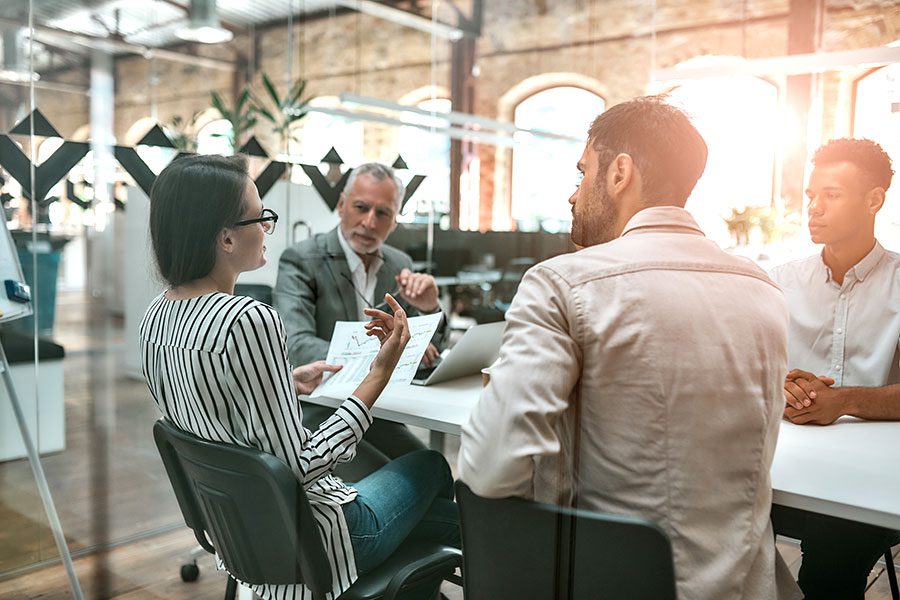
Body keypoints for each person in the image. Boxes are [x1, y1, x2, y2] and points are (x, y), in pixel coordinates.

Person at [457, 96, 801, 600]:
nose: (572, 196)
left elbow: (489, 468)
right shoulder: (764, 288)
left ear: (619, 172)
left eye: (581, 173)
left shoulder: (562, 282)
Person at [140, 154, 459, 600]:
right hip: (316, 538)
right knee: (435, 470)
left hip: (243, 532)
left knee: (447, 518)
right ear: (227, 237)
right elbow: (300, 465)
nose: (269, 227)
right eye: (261, 217)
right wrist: (377, 373)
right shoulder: (249, 318)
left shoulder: (156, 316)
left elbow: (208, 414)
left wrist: (283, 382)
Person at [769, 138, 899, 600]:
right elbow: (754, 369)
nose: (814, 208)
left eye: (831, 194)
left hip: (870, 485)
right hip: (784, 470)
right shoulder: (778, 282)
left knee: (829, 571)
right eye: (811, 196)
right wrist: (780, 384)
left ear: (874, 200)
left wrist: (841, 401)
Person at [273, 162, 448, 478]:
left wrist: (429, 308)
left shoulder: (400, 263)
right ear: (341, 206)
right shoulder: (301, 259)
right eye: (361, 207)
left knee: (436, 472)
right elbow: (295, 345)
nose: (369, 222)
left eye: (383, 213)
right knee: (408, 479)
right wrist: (383, 357)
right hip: (321, 410)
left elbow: (428, 351)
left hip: (380, 411)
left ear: (395, 220)